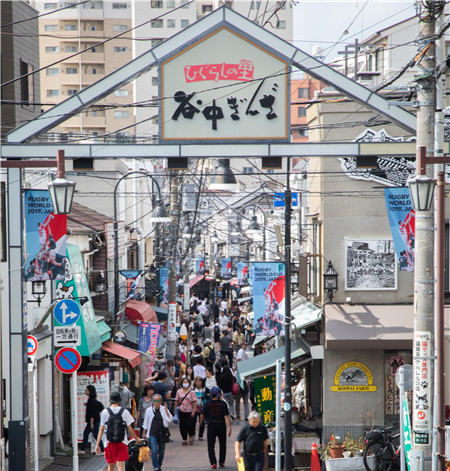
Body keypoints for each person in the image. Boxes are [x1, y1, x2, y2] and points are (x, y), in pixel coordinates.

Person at [95, 391, 141, 471]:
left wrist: (97, 444)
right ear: (119, 401)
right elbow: (130, 429)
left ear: (111, 401)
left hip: (109, 443)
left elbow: (101, 429)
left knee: (110, 466)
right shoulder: (124, 412)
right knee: (121, 466)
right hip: (122, 442)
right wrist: (137, 439)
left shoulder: (105, 412)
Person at [200, 386, 232, 469]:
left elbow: (202, 415)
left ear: (211, 394)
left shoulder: (207, 403)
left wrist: (200, 424)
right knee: (222, 444)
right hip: (221, 425)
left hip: (211, 425)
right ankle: (221, 461)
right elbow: (226, 416)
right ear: (219, 394)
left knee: (210, 445)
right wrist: (229, 427)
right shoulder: (223, 404)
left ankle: (213, 463)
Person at [142, 394, 173, 471]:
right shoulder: (149, 410)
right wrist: (144, 433)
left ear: (161, 401)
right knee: (154, 450)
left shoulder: (163, 409)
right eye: (154, 400)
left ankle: (159, 464)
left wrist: (166, 410)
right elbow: (146, 423)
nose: (156, 402)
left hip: (162, 433)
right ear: (152, 402)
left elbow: (170, 420)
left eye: (158, 401)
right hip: (153, 433)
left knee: (162, 451)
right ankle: (155, 466)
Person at [80, 385, 104, 454]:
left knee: (96, 435)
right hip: (94, 421)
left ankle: (102, 450)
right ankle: (82, 449)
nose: (85, 391)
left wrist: (91, 422)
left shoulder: (91, 400)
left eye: (86, 390)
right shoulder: (92, 400)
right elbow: (98, 407)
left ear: (90, 391)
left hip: (93, 422)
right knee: (87, 433)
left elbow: (92, 412)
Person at [174, 377, 197, 445]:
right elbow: (176, 400)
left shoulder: (192, 392)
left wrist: (194, 410)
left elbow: (195, 401)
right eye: (184, 382)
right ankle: (184, 439)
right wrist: (175, 410)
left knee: (190, 425)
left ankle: (190, 437)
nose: (185, 383)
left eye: (186, 382)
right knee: (182, 425)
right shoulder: (179, 391)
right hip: (181, 410)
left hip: (190, 410)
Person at [193, 376, 207, 441]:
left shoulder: (205, 389)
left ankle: (200, 435)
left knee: (201, 422)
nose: (198, 382)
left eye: (199, 381)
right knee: (193, 421)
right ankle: (193, 434)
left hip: (202, 407)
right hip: (194, 407)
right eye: (196, 381)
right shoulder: (193, 389)